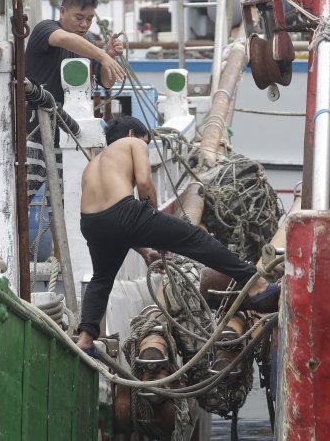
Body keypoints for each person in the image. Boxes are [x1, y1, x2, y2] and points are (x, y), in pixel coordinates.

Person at [75, 116, 280, 353]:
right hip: (124, 214)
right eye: (146, 141)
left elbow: (111, 222)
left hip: (91, 223)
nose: (146, 145)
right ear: (132, 134)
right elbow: (143, 183)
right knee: (195, 238)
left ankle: (85, 339)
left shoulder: (93, 163)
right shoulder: (134, 144)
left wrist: (144, 251)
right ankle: (255, 283)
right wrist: (154, 222)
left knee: (101, 279)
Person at [24, 0, 126, 202]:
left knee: (62, 206)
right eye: (79, 17)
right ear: (62, 11)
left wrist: (109, 56)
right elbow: (63, 39)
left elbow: (106, 83)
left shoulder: (88, 42)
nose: (84, 24)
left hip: (66, 139)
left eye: (89, 19)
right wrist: (102, 56)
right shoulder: (45, 29)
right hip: (31, 136)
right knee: (17, 202)